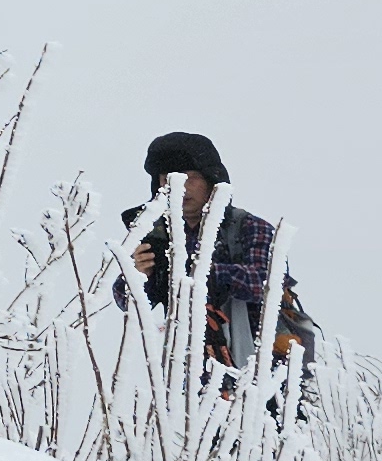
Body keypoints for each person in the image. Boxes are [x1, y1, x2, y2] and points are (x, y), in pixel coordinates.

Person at [118, 130, 322, 385]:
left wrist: (198, 270)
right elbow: (128, 303)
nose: (180, 188)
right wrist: (138, 276)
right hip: (190, 374)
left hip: (264, 373)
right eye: (168, 179)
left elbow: (265, 283)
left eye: (190, 178)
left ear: (211, 180)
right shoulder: (154, 234)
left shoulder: (249, 228)